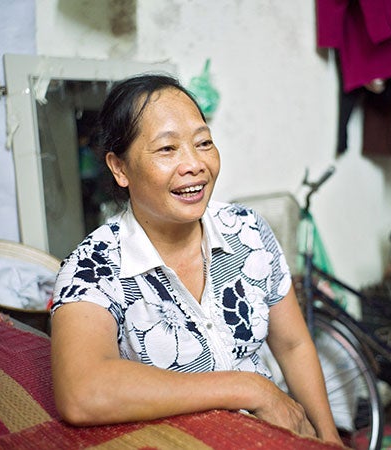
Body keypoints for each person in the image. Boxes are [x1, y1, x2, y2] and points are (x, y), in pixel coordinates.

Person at [50, 73, 343, 446]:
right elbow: (82, 391)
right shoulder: (94, 267)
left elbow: (293, 345)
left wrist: (329, 437)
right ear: (120, 168)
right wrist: (248, 388)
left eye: (203, 142)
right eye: (167, 149)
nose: (194, 165)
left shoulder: (247, 231)